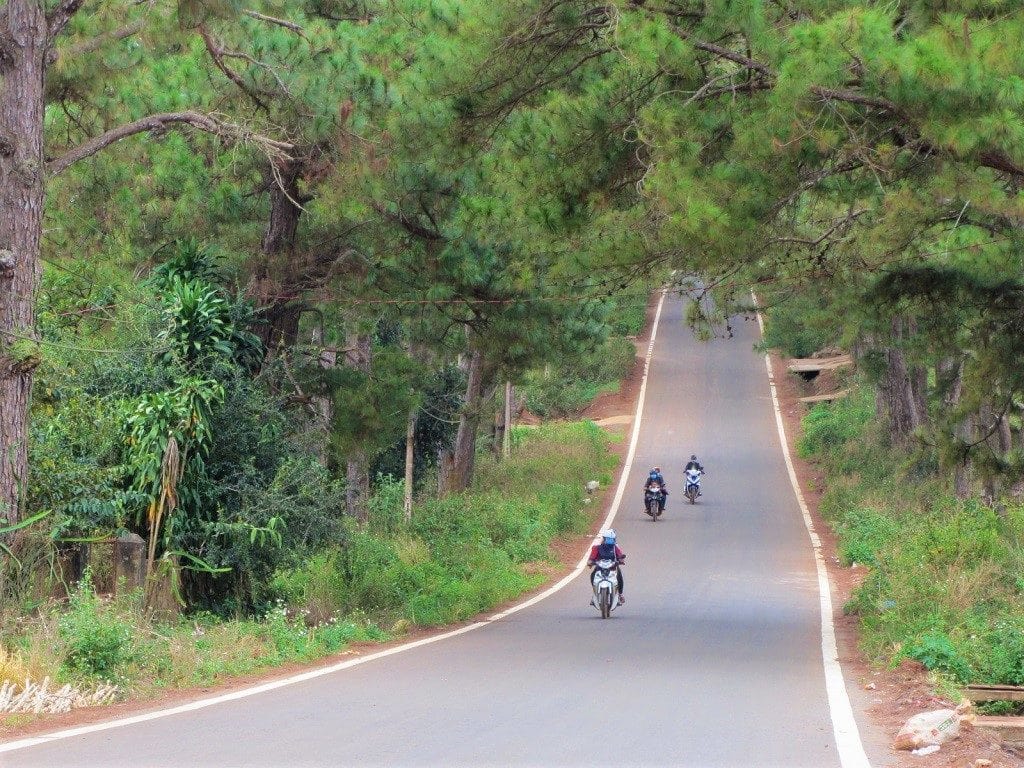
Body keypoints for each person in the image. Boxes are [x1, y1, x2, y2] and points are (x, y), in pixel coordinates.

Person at [588, 529, 625, 605]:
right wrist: (590, 562)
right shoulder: (597, 548)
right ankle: (595, 594)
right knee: (592, 575)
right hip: (600, 568)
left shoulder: (615, 548)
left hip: (613, 568)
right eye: (608, 539)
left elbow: (620, 555)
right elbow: (592, 557)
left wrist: (621, 560)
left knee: (619, 576)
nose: (610, 541)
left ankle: (620, 594)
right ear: (604, 539)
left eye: (611, 539)